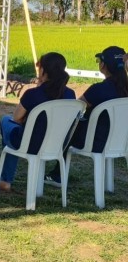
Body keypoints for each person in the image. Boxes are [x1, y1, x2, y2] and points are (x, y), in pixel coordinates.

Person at [0, 52, 75, 192]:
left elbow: (16, 118)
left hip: (30, 145)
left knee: (6, 120)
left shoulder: (33, 94)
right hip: (57, 145)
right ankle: (6, 179)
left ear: (43, 71)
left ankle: (5, 179)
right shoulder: (71, 95)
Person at [45, 46, 128, 186]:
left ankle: (58, 175)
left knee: (68, 129)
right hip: (121, 141)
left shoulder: (97, 90)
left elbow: (74, 109)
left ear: (103, 65)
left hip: (95, 142)